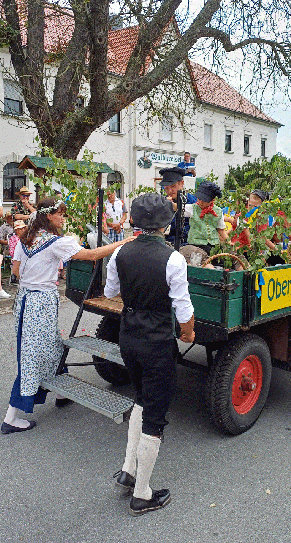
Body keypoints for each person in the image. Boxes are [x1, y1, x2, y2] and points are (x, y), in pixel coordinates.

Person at [1, 197, 134, 435]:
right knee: (31, 357)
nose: (63, 218)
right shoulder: (55, 242)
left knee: (51, 346)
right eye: (60, 214)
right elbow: (93, 255)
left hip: (25, 300)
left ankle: (61, 393)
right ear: (49, 216)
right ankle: (11, 417)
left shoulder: (25, 239)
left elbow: (16, 271)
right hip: (41, 301)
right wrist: (123, 242)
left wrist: (35, 277)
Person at [105, 193, 194, 516]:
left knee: (141, 399)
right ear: (166, 225)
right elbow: (183, 307)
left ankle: (129, 470)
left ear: (135, 222)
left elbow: (111, 292)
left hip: (128, 336)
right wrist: (188, 333)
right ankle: (142, 493)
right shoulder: (173, 258)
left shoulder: (119, 252)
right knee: (155, 414)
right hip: (157, 341)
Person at [184, 181, 228, 254]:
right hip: (196, 244)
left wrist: (229, 242)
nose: (200, 202)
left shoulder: (218, 211)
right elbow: (177, 208)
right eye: (199, 199)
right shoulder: (192, 208)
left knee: (221, 259)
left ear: (212, 200)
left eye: (204, 201)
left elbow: (221, 230)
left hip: (213, 245)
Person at [159, 166, 197, 245]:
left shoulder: (192, 201)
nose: (170, 191)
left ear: (181, 184)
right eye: (166, 188)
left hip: (187, 244)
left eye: (173, 186)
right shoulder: (162, 202)